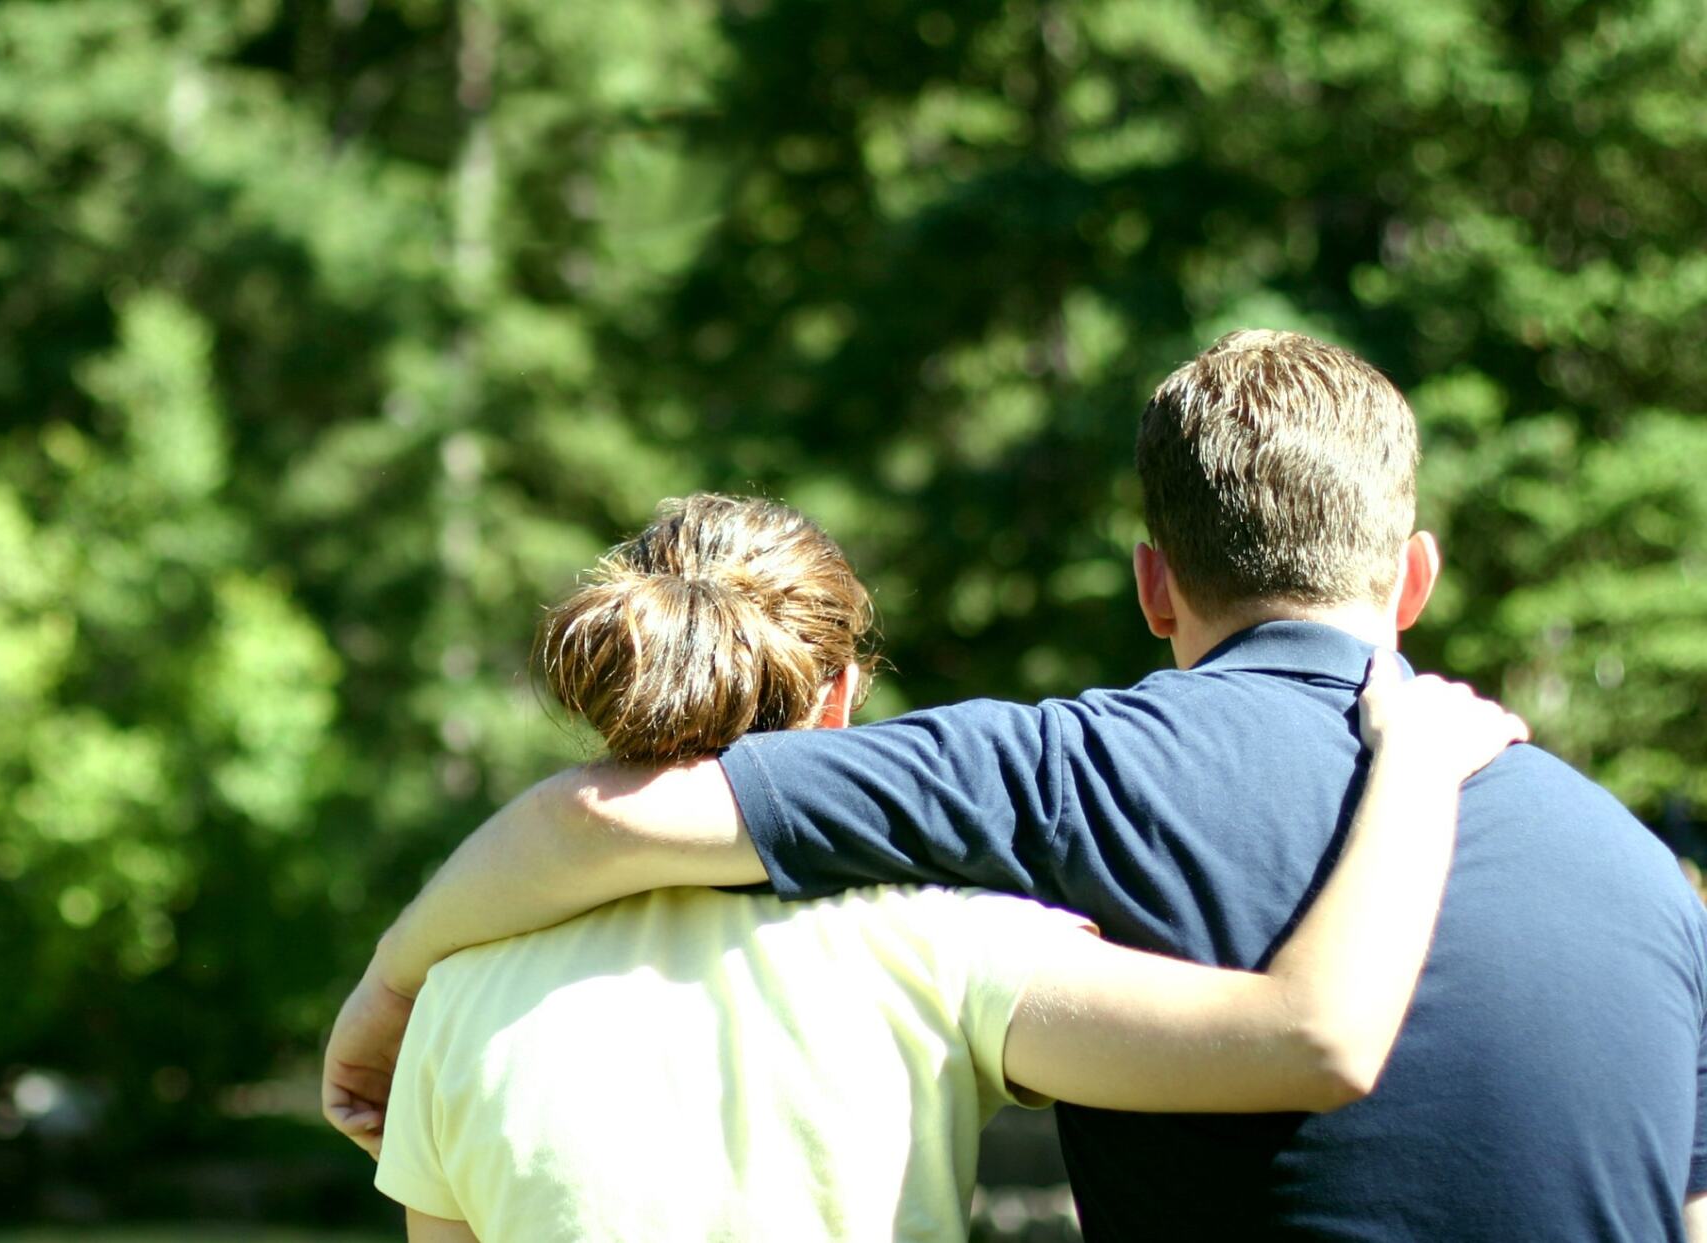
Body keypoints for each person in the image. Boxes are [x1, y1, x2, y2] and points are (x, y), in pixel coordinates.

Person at [328, 331, 1707, 1241]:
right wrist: (1405, 755)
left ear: (1153, 580)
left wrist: (397, 977)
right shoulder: (1647, 875)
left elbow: (605, 816)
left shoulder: (1055, 771)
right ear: (1414, 578)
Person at [372, 493, 1525, 1243]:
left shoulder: (461, 994)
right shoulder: (942, 939)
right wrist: (1410, 767)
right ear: (839, 700)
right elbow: (1297, 1040)